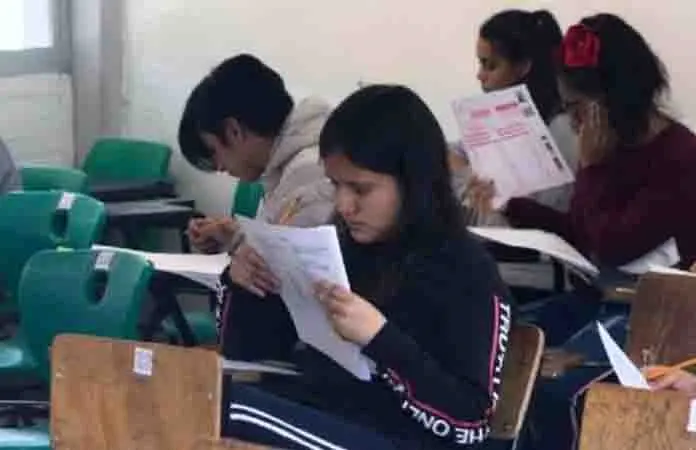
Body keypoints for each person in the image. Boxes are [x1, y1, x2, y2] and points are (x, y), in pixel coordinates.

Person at [219, 85, 515, 449]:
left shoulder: (467, 271)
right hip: (328, 415)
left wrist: (379, 338)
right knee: (198, 393)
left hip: (400, 439)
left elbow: (471, 422)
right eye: (336, 185)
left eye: (360, 189)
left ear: (412, 183)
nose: (344, 205)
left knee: (222, 409)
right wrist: (245, 285)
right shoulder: (343, 249)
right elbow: (250, 355)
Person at [459, 14, 696, 450]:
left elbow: (613, 243)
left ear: (614, 101)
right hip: (595, 295)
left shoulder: (680, 156)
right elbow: (581, 231)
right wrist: (509, 204)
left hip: (649, 314)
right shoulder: (616, 146)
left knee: (553, 392)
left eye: (579, 110)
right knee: (498, 349)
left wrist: (589, 165)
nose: (574, 123)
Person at [177, 54, 334, 325]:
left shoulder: (308, 170)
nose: (220, 167)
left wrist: (239, 254)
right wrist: (232, 236)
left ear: (234, 131)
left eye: (214, 151)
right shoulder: (283, 168)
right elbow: (280, 242)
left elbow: (281, 274)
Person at [452, 9, 578, 225]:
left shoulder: (562, 130)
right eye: (480, 64)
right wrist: (472, 176)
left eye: (491, 65)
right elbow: (448, 154)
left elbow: (549, 215)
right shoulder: (495, 118)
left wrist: (497, 198)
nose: (480, 75)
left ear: (522, 67)